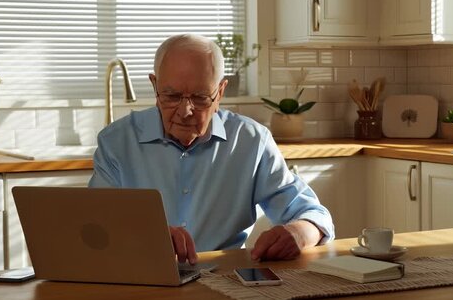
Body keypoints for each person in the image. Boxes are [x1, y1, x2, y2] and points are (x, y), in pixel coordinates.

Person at [89, 33, 334, 263]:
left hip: (225, 281)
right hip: (141, 278)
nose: (185, 112)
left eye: (199, 98)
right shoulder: (116, 142)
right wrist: (147, 237)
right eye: (172, 96)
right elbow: (94, 228)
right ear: (155, 86)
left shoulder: (251, 141)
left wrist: (299, 233)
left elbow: (313, 214)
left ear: (220, 93)